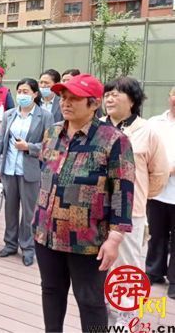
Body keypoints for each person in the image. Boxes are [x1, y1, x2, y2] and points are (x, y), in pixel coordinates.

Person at [33, 74, 135, 332]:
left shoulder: (113, 139)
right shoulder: (52, 132)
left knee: (90, 301)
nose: (65, 103)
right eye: (63, 97)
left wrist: (115, 238)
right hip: (46, 234)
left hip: (88, 239)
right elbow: (46, 173)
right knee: (51, 291)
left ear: (94, 103)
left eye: (74, 98)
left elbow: (123, 190)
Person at [102, 76, 169, 323]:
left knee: (126, 267)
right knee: (97, 264)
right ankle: (102, 313)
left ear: (132, 100)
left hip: (131, 213)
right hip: (97, 210)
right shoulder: (97, 127)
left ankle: (125, 318)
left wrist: (137, 197)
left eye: (115, 93)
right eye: (107, 94)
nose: (109, 98)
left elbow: (159, 173)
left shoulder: (147, 131)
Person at [0, 78, 54, 266]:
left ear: (35, 94)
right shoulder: (9, 114)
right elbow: (0, 142)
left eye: (26, 92)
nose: (22, 95)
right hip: (9, 169)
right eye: (19, 91)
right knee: (10, 209)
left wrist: (29, 147)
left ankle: (28, 247)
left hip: (30, 170)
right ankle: (10, 243)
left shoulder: (45, 116)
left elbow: (50, 146)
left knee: (29, 212)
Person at [146, 87, 175, 298]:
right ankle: (154, 271)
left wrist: (169, 170)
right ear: (169, 97)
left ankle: (174, 280)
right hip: (156, 191)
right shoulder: (155, 122)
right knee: (156, 234)